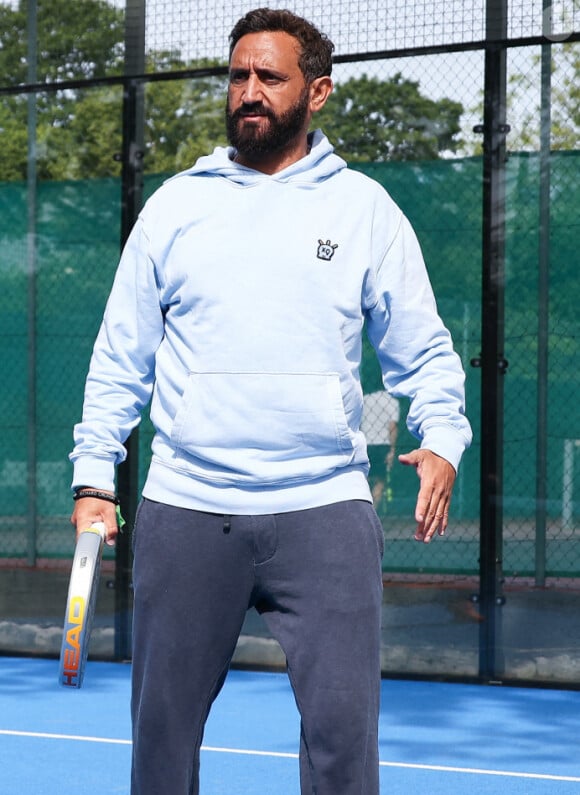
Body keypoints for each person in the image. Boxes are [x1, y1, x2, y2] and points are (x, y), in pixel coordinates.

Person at [70, 8, 472, 794]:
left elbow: (422, 349)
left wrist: (444, 437)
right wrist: (93, 480)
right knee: (160, 748)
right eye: (238, 76)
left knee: (343, 749)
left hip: (324, 510)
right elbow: (120, 356)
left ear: (317, 92)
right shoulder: (176, 208)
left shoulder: (364, 210)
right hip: (187, 508)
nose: (248, 91)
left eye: (270, 77)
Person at [361, 389, 400, 513]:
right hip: (383, 444)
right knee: (380, 480)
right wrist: (392, 450)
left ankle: (363, 510)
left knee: (363, 479)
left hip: (365, 443)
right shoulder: (392, 401)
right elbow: (392, 426)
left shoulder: (364, 399)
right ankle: (372, 512)